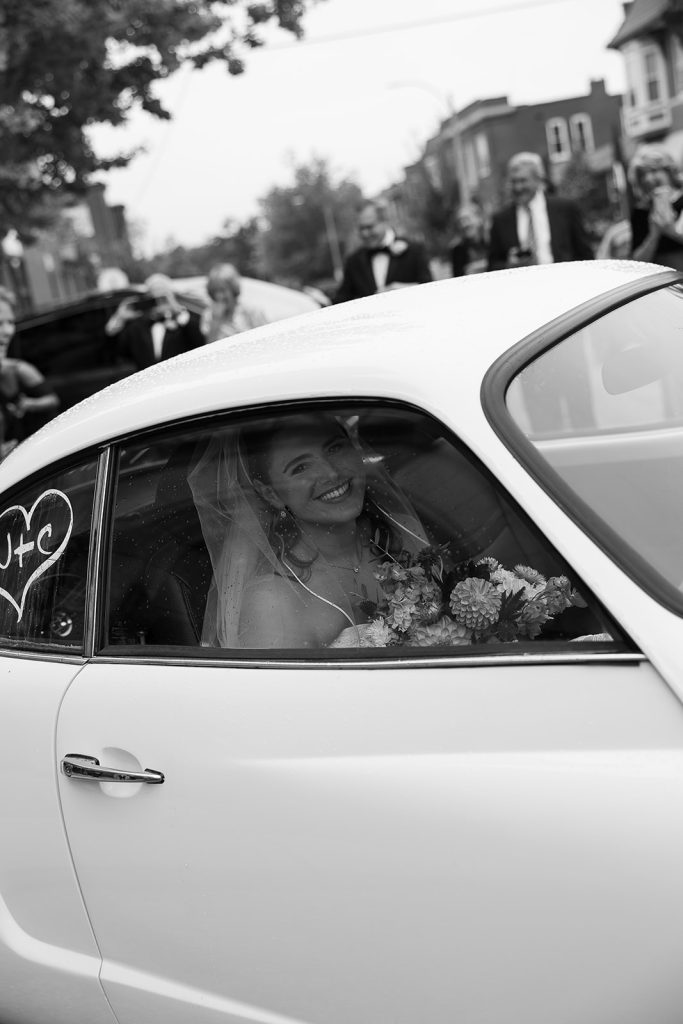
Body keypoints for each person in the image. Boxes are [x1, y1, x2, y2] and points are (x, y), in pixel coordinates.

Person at [188, 412, 428, 649]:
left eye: (334, 449)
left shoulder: (403, 530)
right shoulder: (272, 602)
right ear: (269, 493)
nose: (331, 474)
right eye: (301, 467)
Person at [487, 152, 594, 271]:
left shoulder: (566, 209)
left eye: (523, 181)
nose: (518, 188)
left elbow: (585, 255)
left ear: (538, 180)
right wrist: (509, 265)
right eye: (513, 182)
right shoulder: (500, 220)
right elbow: (492, 266)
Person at [334, 199, 432, 303]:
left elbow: (431, 289)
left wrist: (402, 289)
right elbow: (341, 300)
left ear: (385, 221)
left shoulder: (414, 250)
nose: (364, 234)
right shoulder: (353, 262)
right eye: (361, 228)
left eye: (369, 227)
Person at [0, 287, 59, 459]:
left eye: (10, 322)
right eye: (0, 323)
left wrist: (29, 404)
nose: (8, 331)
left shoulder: (18, 369)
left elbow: (53, 401)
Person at [105, 273, 204, 370]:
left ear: (172, 297)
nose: (158, 302)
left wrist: (176, 310)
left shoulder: (183, 322)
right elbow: (114, 351)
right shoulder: (137, 327)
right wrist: (119, 318)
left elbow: (200, 342)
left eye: (163, 298)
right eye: (153, 297)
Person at [627, 145, 683, 271]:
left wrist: (671, 231)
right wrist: (654, 235)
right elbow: (637, 262)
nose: (648, 179)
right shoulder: (641, 212)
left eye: (653, 171)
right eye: (642, 175)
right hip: (661, 283)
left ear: (668, 171)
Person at [200, 263, 266, 343]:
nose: (219, 296)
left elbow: (266, 340)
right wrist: (216, 320)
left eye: (222, 290)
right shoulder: (209, 315)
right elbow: (209, 347)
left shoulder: (251, 311)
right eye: (215, 291)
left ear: (233, 289)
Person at [449, 204, 488, 277]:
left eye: (467, 219)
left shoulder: (492, 241)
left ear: (479, 219)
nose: (464, 224)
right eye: (460, 221)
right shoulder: (458, 250)